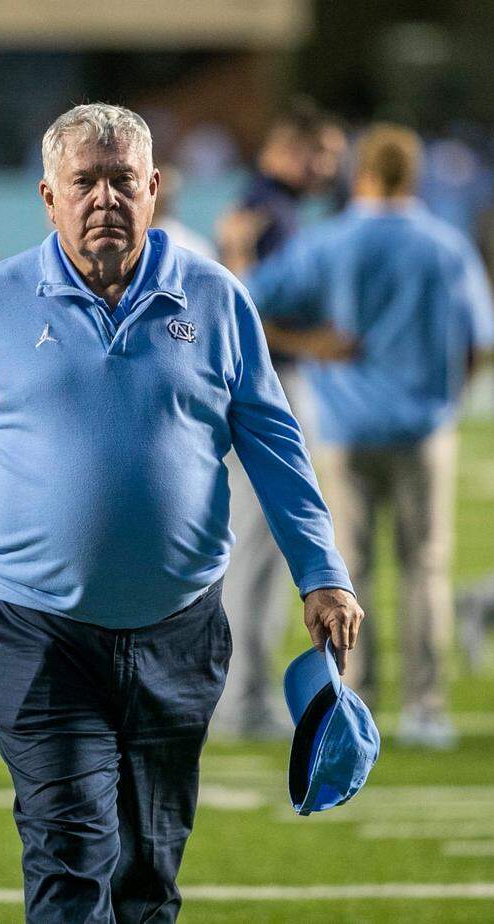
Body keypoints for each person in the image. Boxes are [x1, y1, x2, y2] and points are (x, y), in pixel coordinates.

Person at [0, 103, 363, 923]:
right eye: (84, 182)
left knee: (148, 874)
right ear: (48, 197)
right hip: (41, 633)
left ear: (154, 189)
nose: (105, 199)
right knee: (70, 851)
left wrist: (322, 572)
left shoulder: (217, 299)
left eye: (123, 181)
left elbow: (275, 447)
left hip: (180, 631)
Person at [247, 123, 494, 748]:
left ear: (361, 173)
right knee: (426, 570)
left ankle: (355, 706)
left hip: (344, 427)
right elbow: (479, 342)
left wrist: (310, 344)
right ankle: (425, 708)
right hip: (421, 430)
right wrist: (448, 399)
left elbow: (249, 303)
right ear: (412, 175)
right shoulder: (445, 245)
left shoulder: (329, 241)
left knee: (347, 576)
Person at [212, 99, 351, 739]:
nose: (331, 165)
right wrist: (319, 343)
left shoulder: (267, 206)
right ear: (292, 147)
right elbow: (242, 312)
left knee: (255, 548)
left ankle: (243, 696)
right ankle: (243, 701)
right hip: (267, 387)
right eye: (322, 151)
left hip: (267, 382)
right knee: (264, 552)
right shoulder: (271, 211)